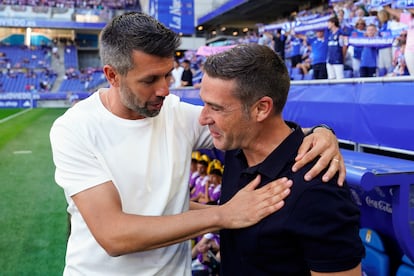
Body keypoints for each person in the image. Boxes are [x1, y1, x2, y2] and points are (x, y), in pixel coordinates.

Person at [50, 12, 345, 276]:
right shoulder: (75, 129)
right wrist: (223, 215)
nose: (165, 89)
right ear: (112, 75)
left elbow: (256, 125)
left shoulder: (174, 113)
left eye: (168, 74)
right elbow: (114, 235)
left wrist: (321, 132)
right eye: (150, 79)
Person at [198, 43, 364, 275]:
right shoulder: (236, 151)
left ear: (261, 109)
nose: (203, 118)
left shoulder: (316, 188)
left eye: (215, 108)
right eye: (204, 103)